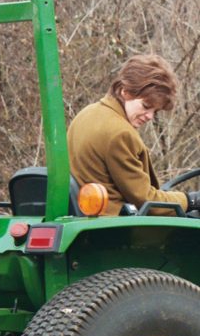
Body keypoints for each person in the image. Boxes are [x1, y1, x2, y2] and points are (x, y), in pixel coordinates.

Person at [67, 54, 199, 216]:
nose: (149, 116)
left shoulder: (87, 114)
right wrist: (191, 200)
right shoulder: (120, 133)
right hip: (115, 223)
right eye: (146, 106)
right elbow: (147, 201)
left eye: (154, 111)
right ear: (125, 91)